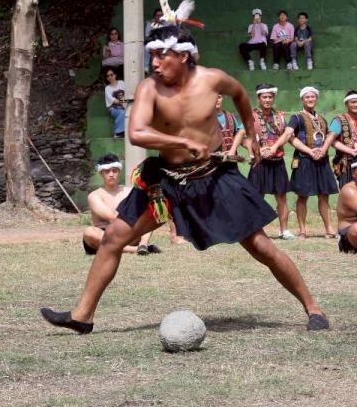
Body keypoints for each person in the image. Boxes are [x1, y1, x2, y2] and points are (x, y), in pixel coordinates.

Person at [40, 23, 329, 334]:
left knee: (260, 245)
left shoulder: (212, 79)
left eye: (160, 56)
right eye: (151, 56)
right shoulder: (150, 88)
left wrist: (254, 135)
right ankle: (82, 316)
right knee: (113, 238)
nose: (153, 63)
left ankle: (314, 309)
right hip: (166, 181)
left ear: (182, 56)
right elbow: (136, 133)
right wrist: (180, 143)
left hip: (215, 178)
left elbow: (241, 96)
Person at [286, 86, 339, 238]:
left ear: (316, 99)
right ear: (302, 100)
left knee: (324, 195)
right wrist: (309, 151)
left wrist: (322, 150)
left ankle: (329, 229)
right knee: (303, 196)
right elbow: (290, 137)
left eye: (313, 97)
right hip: (304, 160)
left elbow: (328, 136)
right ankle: (302, 230)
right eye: (307, 97)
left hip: (321, 160)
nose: (310, 99)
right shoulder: (296, 117)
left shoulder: (321, 118)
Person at [84, 154, 160, 255]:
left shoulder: (129, 192)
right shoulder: (94, 196)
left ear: (119, 171)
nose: (111, 174)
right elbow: (112, 218)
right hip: (105, 237)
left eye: (114, 170)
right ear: (101, 173)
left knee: (148, 213)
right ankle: (135, 250)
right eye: (107, 171)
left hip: (129, 233)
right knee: (89, 232)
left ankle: (143, 244)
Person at [248, 83, 296, 240]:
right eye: (264, 97)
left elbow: (287, 135)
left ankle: (284, 230)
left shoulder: (280, 116)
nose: (267, 100)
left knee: (281, 196)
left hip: (277, 161)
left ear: (273, 98)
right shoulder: (250, 115)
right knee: (257, 196)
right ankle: (256, 231)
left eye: (270, 97)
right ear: (258, 98)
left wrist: (275, 147)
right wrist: (255, 150)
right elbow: (244, 136)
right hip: (259, 162)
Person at [331, 90, 357, 188]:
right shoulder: (339, 120)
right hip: (347, 164)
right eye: (353, 102)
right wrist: (351, 151)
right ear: (346, 104)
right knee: (348, 193)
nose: (356, 105)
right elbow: (332, 141)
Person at [216, 94, 247, 158]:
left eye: (219, 97)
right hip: (214, 164)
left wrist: (255, 148)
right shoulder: (205, 120)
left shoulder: (230, 116)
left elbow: (240, 139)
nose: (216, 100)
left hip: (232, 162)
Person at [104, 67, 126, 139]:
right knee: (123, 113)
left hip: (125, 104)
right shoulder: (107, 88)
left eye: (111, 75)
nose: (110, 77)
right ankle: (117, 132)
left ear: (115, 75)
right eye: (108, 76)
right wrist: (122, 103)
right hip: (114, 108)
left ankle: (122, 132)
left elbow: (127, 92)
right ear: (107, 78)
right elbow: (113, 100)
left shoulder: (121, 83)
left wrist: (124, 101)